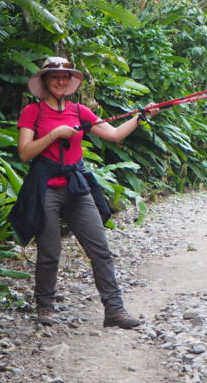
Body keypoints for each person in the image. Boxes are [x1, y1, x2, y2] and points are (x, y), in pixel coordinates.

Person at [9, 56, 160, 328]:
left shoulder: (80, 111)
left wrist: (141, 117)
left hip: (76, 186)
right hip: (46, 189)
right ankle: (45, 306)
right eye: (54, 76)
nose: (60, 80)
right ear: (44, 81)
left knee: (100, 249)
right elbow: (24, 153)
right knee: (49, 251)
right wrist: (54, 135)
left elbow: (114, 134)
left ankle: (114, 311)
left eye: (65, 76)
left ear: (70, 82)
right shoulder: (33, 112)